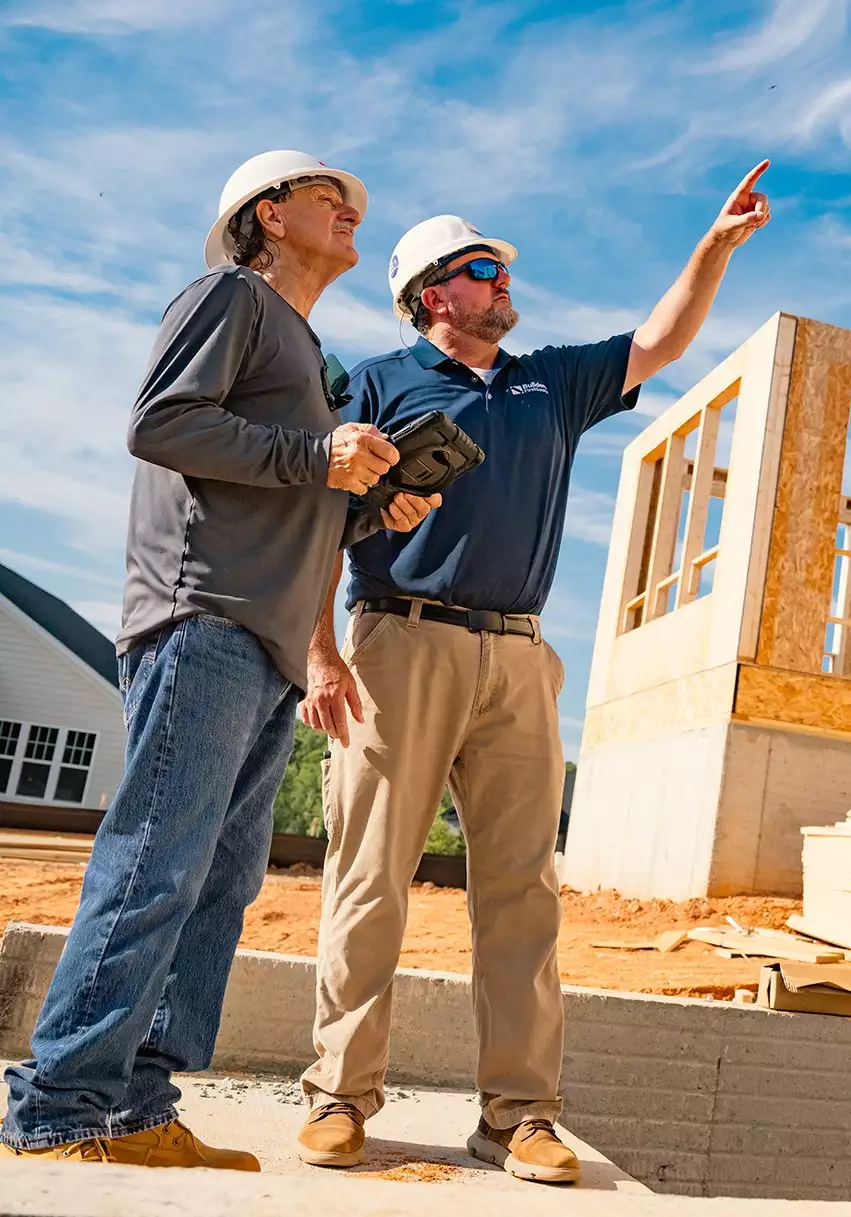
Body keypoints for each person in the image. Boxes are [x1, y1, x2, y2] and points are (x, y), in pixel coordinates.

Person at [296, 163, 771, 1183]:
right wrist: (319, 649)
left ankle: (519, 1116)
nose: (502, 280)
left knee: (523, 891)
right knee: (371, 875)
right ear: (435, 293)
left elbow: (661, 341)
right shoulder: (373, 383)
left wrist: (714, 248)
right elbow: (315, 522)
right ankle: (340, 1093)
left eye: (500, 266)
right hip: (397, 643)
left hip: (519, 653)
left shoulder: (548, 380)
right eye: (480, 268)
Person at [0, 150, 436, 1170]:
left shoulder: (306, 348)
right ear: (270, 214)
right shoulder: (229, 296)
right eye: (333, 200)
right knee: (155, 863)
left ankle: (136, 1102)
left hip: (268, 647)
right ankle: (61, 1104)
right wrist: (319, 457)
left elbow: (287, 488)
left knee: (212, 886)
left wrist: (370, 501)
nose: (352, 215)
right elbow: (162, 423)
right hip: (203, 619)